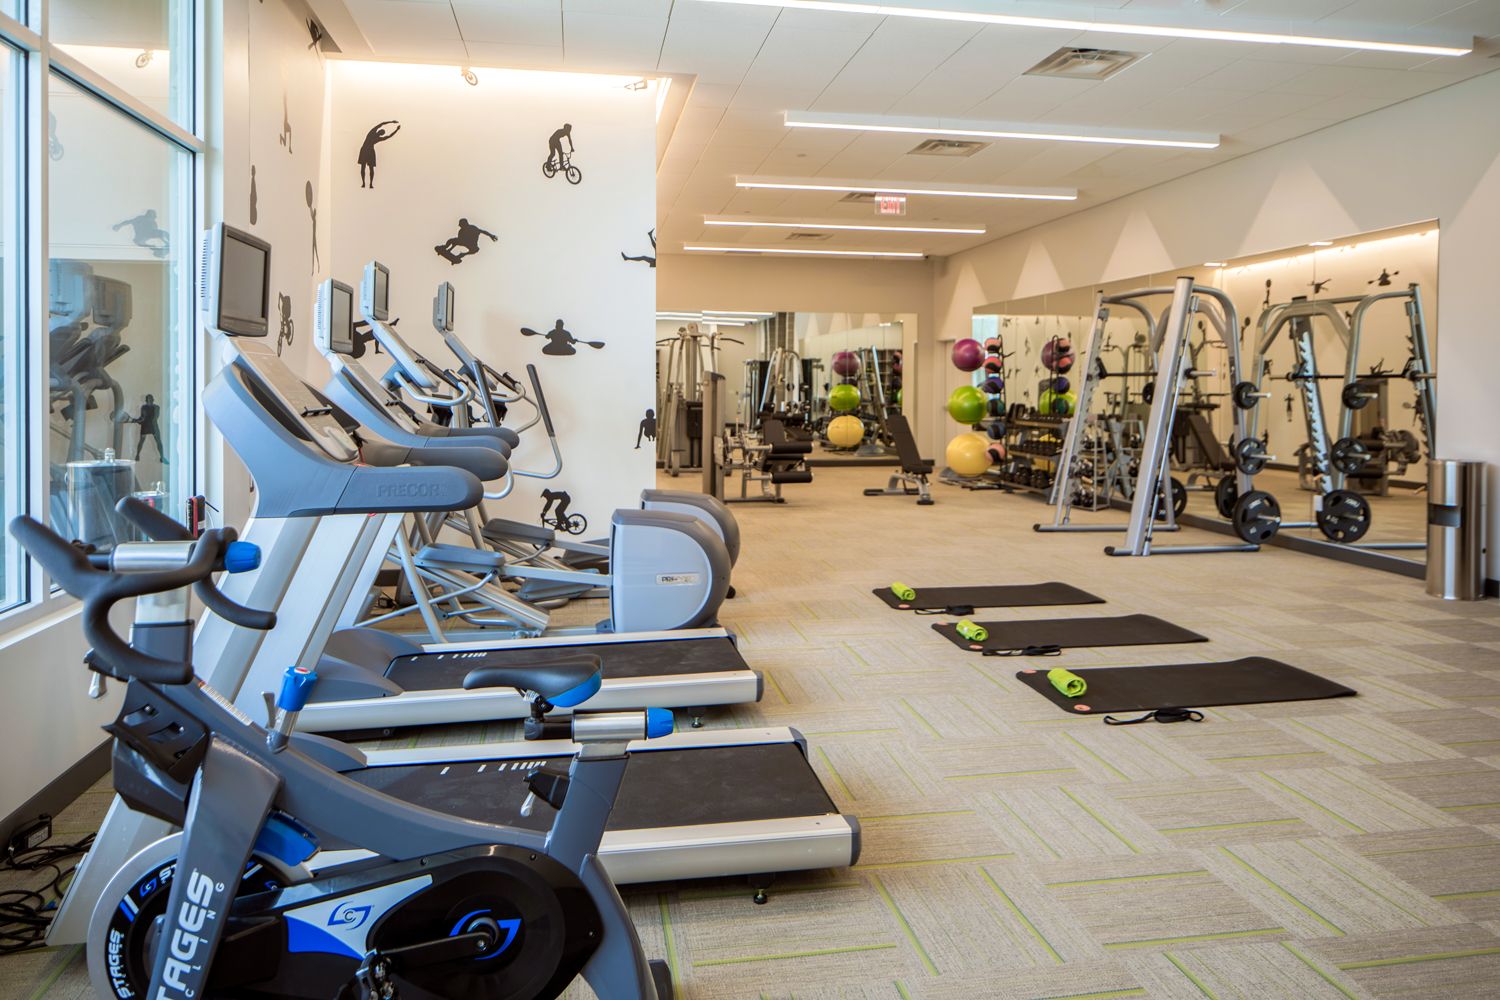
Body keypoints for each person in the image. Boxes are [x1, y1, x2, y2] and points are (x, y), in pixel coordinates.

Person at [358, 120, 400, 188]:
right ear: (379, 131)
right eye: (381, 132)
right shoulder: (372, 132)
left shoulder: (377, 137)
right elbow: (382, 124)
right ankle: (364, 183)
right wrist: (391, 122)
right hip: (365, 150)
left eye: (381, 133)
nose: (380, 133)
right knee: (363, 167)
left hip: (369, 151)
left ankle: (370, 184)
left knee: (370, 168)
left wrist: (396, 129)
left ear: (380, 134)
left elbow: (388, 136)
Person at [127, 394, 164, 461]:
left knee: (158, 441)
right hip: (147, 426)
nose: (149, 401)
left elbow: (152, 418)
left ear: (153, 400)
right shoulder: (144, 407)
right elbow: (142, 418)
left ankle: (162, 456)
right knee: (142, 441)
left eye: (150, 399)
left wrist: (136, 420)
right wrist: (137, 420)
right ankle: (137, 455)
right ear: (146, 400)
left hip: (153, 426)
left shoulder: (156, 407)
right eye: (148, 399)